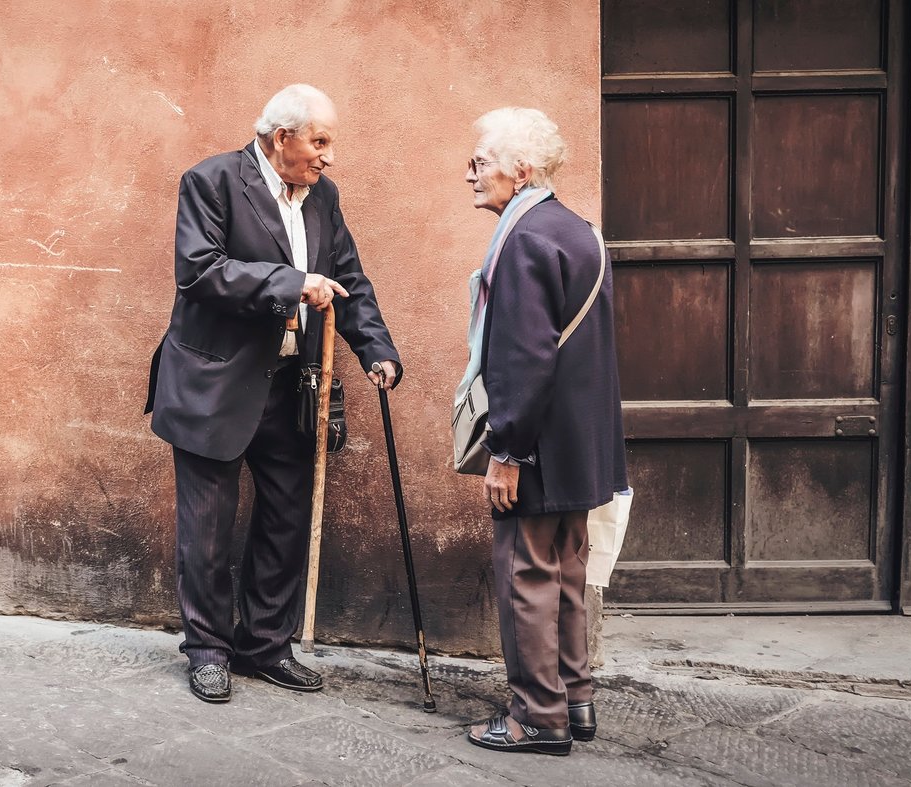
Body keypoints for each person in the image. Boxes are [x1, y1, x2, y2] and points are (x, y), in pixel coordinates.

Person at [144, 84, 402, 703]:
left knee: (286, 520)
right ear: (280, 137)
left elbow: (348, 278)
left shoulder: (324, 198)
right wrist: (291, 283)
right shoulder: (211, 181)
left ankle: (264, 644)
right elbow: (201, 271)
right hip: (214, 384)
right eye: (320, 141)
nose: (328, 156)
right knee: (206, 529)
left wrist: (377, 350)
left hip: (292, 386)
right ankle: (208, 649)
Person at [459, 108, 627, 755]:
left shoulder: (524, 237)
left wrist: (507, 451)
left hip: (538, 449)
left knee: (527, 574)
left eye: (481, 161)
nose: (469, 172)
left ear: (521, 170)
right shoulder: (579, 230)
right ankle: (575, 697)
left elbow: (525, 357)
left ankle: (537, 715)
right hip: (580, 448)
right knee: (565, 573)